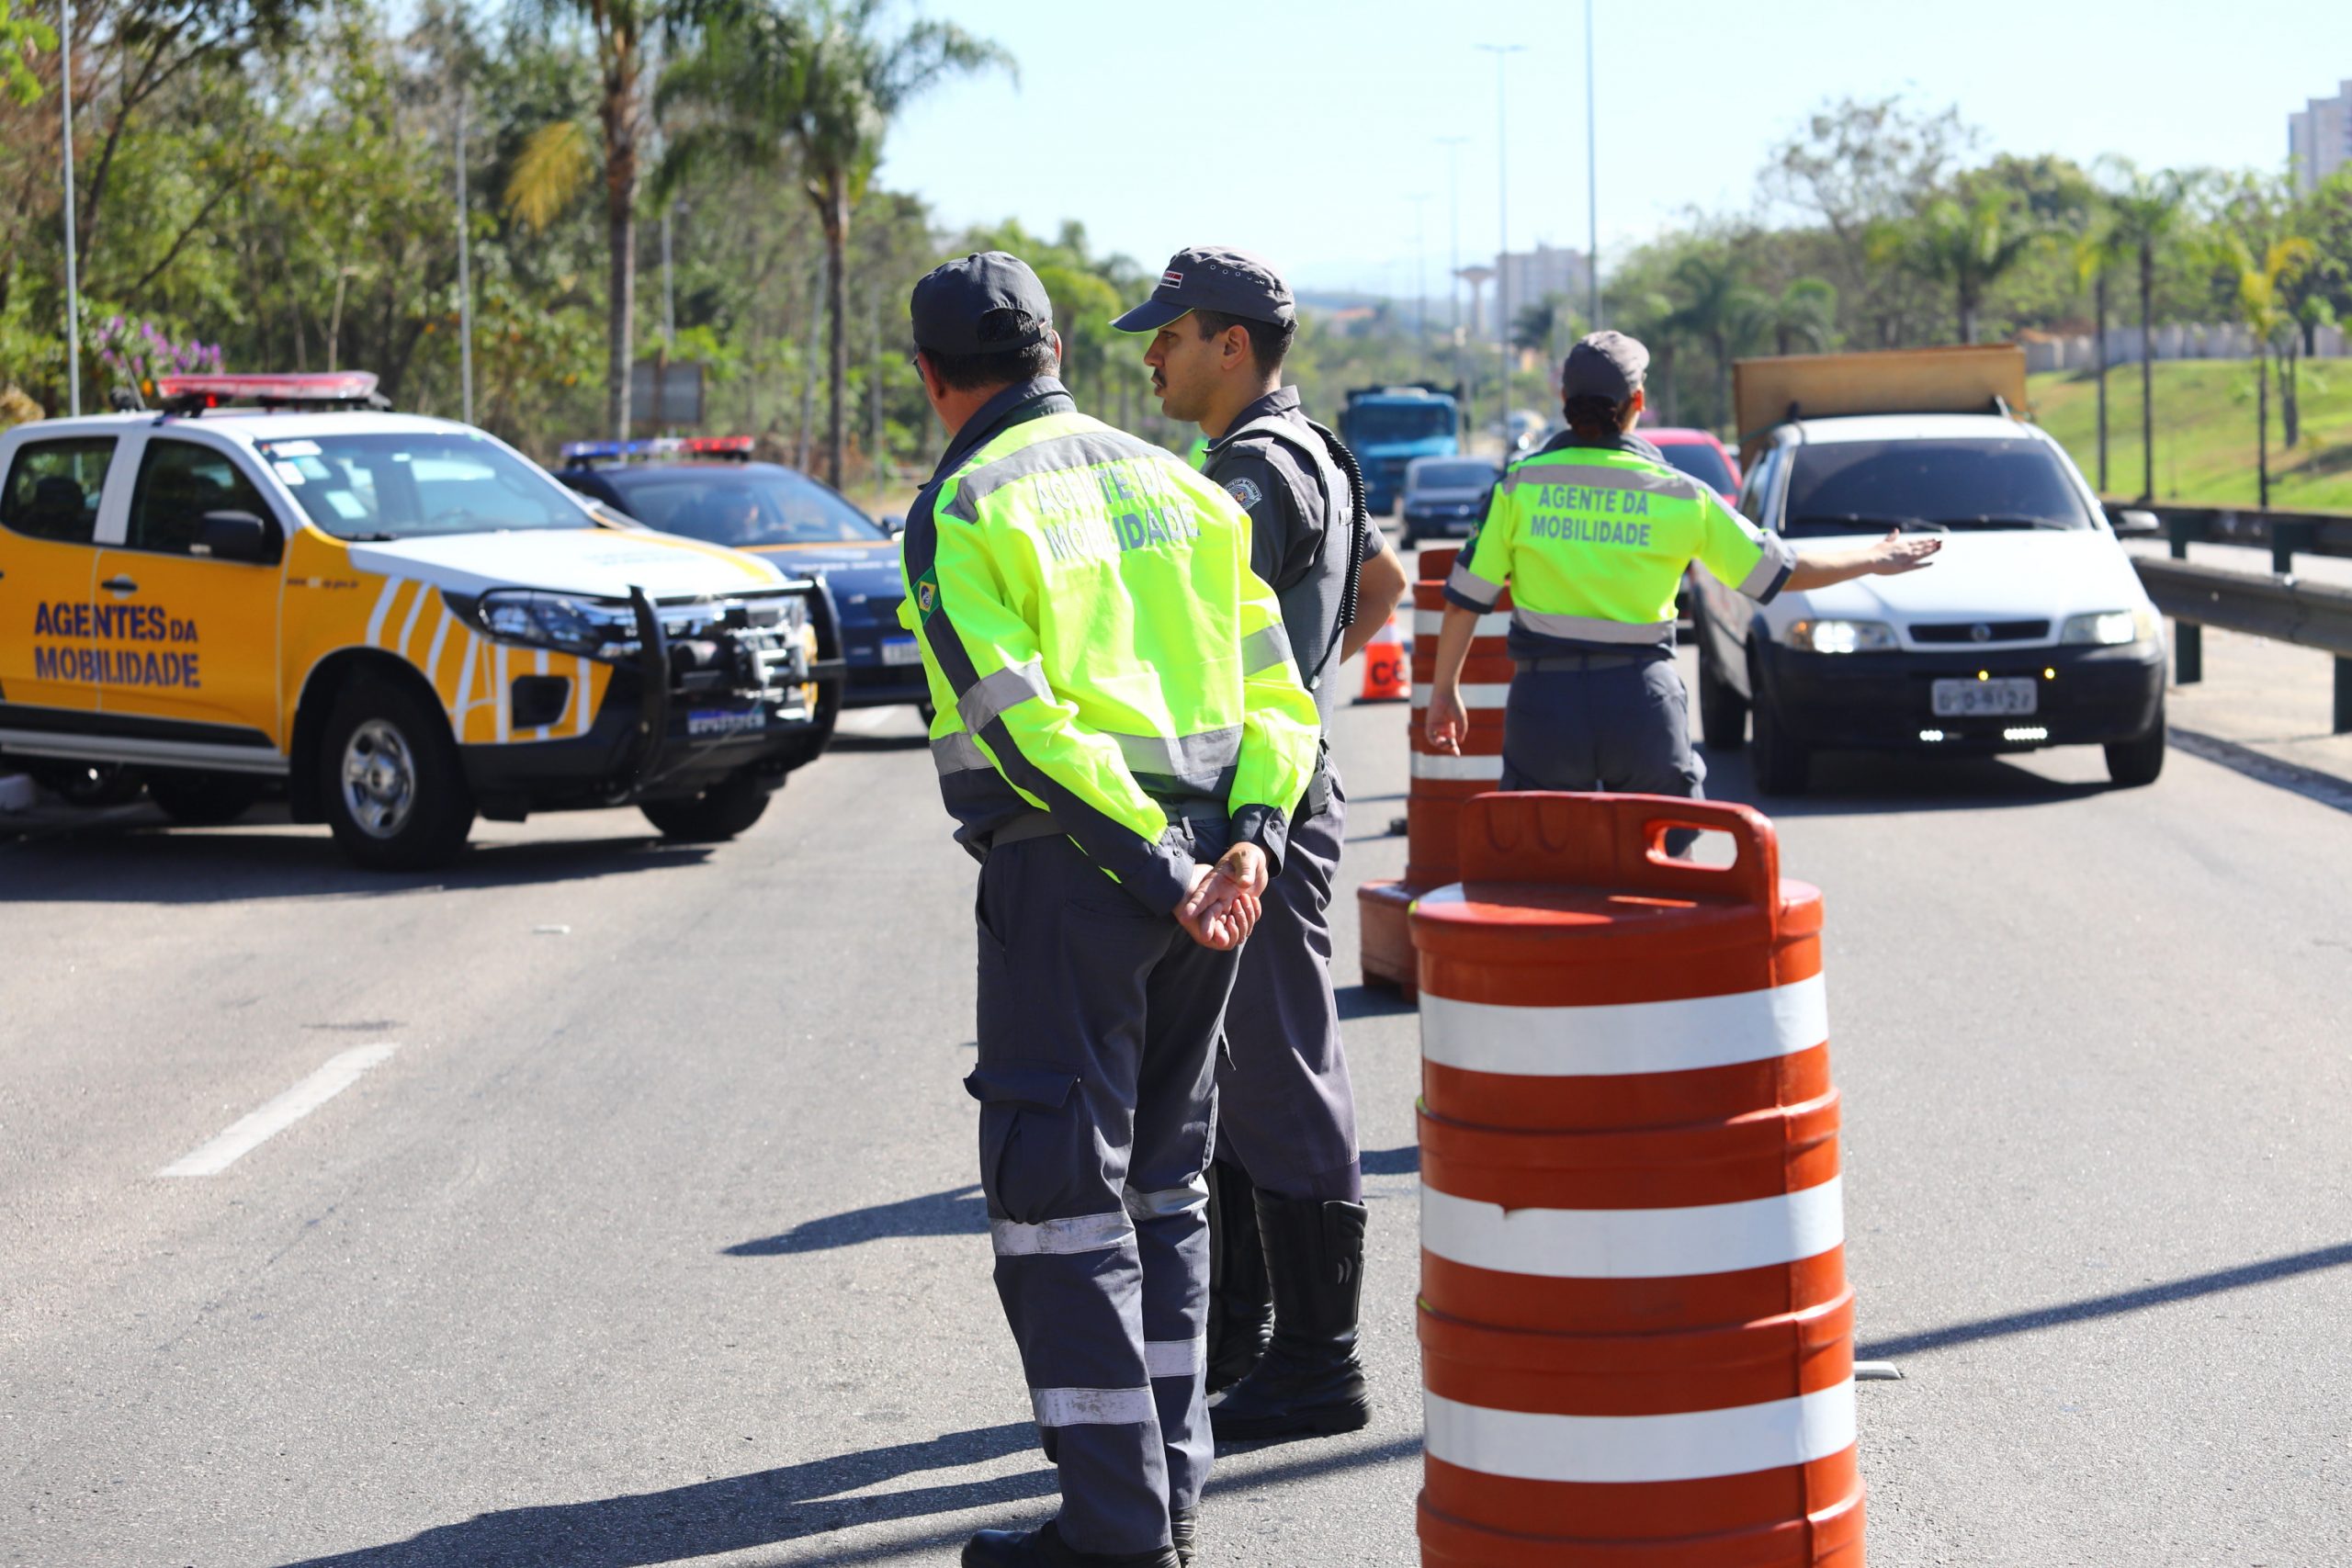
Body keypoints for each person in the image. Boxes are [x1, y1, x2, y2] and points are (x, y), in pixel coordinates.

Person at [898, 251, 1322, 1568]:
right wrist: (1248, 842)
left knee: (1059, 1205)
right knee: (1165, 1194)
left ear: (931, 378)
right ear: (1053, 356)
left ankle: (1116, 1532)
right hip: (1210, 869)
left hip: (1081, 874)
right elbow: (1279, 690)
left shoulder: (963, 501)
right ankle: (1167, 1507)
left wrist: (1159, 866)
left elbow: (1016, 722)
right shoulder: (1181, 487)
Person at [1114, 246, 1409, 1443]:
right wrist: (1302, 687)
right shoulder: (1321, 452)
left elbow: (1171, 622)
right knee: (1238, 1065)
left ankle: (1319, 1357)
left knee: (1279, 1062)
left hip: (1254, 809)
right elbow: (1382, 584)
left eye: (1170, 336)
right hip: (1278, 783)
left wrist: (1264, 719)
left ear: (1228, 343)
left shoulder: (1244, 477)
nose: (1152, 357)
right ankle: (1242, 1337)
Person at [1426, 331, 1940, 806]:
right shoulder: (1681, 494)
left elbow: (1465, 599)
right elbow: (1777, 572)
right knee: (1663, 869)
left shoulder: (1518, 487)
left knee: (1543, 867)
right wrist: (1873, 557)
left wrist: (1444, 690)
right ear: (1638, 404)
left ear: (1564, 403)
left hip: (1545, 705)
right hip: (1641, 701)